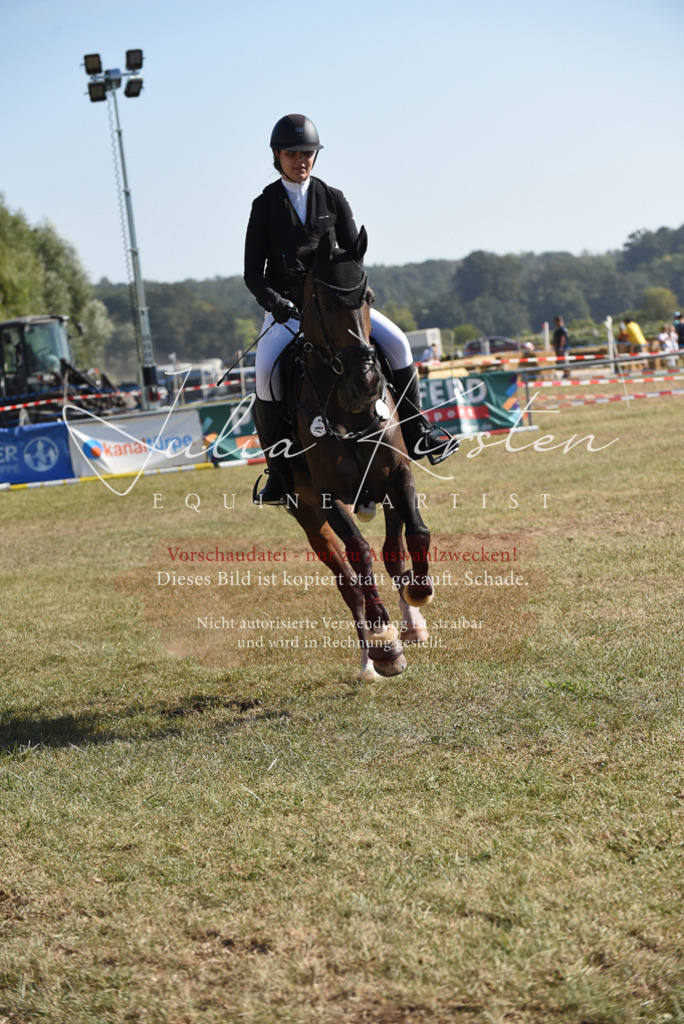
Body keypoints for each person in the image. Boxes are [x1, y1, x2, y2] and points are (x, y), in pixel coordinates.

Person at [244, 113, 455, 504]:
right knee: (264, 371)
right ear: (277, 156)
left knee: (400, 347)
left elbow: (352, 257)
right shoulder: (264, 206)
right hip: (289, 313)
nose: (300, 160)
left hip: (339, 308)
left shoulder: (333, 197)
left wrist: (354, 296)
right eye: (292, 153)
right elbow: (253, 274)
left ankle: (417, 430)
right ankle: (278, 471)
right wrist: (276, 303)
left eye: (307, 153)